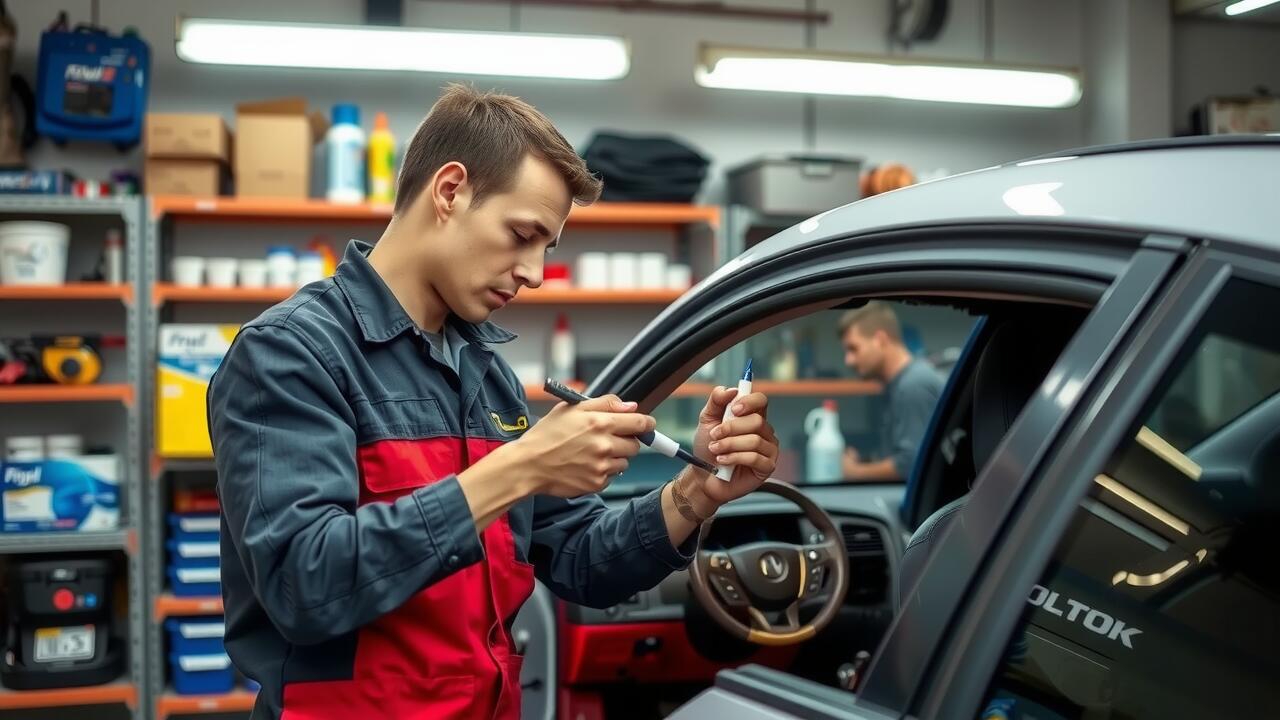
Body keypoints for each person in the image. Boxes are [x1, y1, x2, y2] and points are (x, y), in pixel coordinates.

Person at [206, 85, 779, 720]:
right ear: (449, 191)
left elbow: (581, 560)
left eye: (547, 248)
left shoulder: (484, 373)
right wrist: (522, 466)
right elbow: (304, 585)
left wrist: (695, 494)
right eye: (522, 234)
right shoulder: (291, 355)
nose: (534, 272)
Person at [838, 301, 944, 482]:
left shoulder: (913, 385)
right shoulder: (899, 384)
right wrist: (866, 461)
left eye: (853, 349)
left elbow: (910, 464)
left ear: (880, 339)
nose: (848, 361)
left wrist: (856, 471)